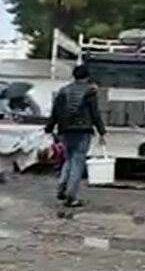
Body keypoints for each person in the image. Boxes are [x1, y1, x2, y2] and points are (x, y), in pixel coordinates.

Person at [45, 65, 107, 207]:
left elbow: (55, 112)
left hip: (65, 130)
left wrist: (49, 128)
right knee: (78, 161)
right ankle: (71, 196)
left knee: (68, 159)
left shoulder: (63, 91)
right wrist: (101, 131)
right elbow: (94, 113)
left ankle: (62, 185)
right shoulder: (90, 91)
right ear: (87, 76)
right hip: (83, 130)